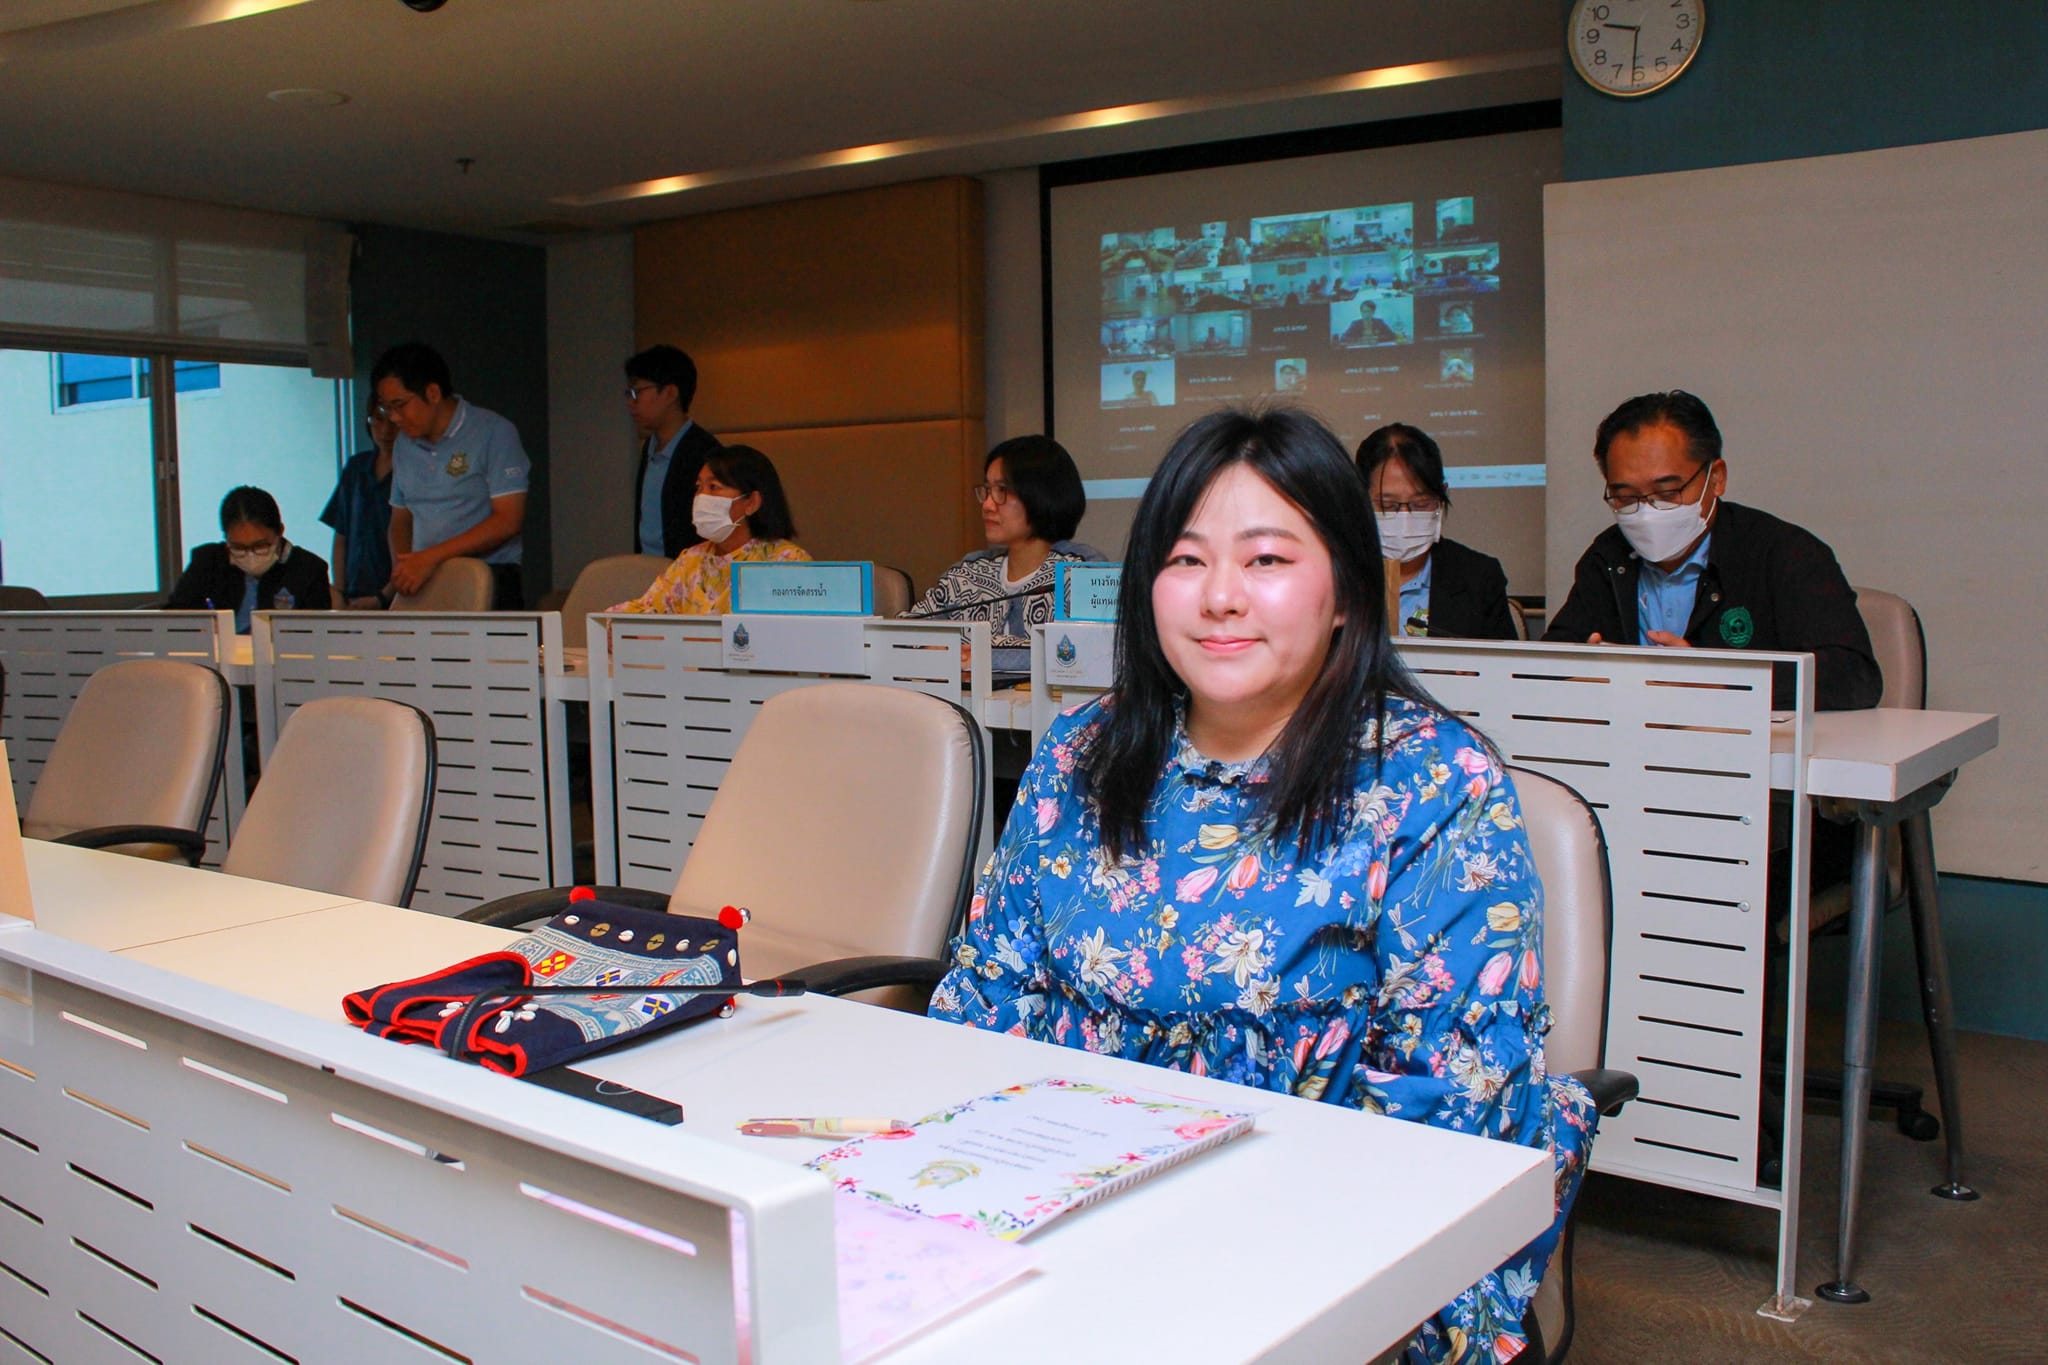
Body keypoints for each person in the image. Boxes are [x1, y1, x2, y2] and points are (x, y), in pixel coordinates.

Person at [929, 407, 1594, 1364]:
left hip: (1319, 1239)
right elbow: (983, 1000)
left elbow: (1448, 1104)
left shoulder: (1433, 781)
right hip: (1063, 1211)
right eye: (1186, 559)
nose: (1219, 597)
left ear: (1347, 593)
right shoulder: (1079, 752)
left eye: (1268, 559)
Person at [1543, 390, 1880, 711]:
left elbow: (1853, 675)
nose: (1646, 512)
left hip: (1749, 744)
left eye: (1668, 493)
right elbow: (1544, 665)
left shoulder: (1783, 553)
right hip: (1634, 742)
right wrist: (1578, 676)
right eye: (1626, 497)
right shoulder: (1608, 557)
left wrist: (1717, 681)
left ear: (1716, 478)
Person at [902, 436, 1098, 675]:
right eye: (987, 490)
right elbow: (905, 630)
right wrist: (931, 649)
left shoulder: (1082, 571)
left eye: (1002, 490)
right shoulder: (970, 571)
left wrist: (981, 655)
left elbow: (1088, 651)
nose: (987, 505)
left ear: (1041, 494)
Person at [372, 342, 530, 609]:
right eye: (387, 408)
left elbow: (508, 520)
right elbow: (401, 518)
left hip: (488, 575)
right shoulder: (404, 444)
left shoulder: (494, 432)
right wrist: (405, 564)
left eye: (399, 405)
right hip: (425, 579)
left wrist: (431, 557)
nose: (394, 418)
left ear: (433, 393)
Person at [1356, 423, 1516, 640]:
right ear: (1360, 498)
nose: (1405, 518)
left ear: (1441, 497)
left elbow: (1504, 660)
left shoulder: (1479, 578)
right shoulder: (1335, 574)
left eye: (1421, 504)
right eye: (1388, 505)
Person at [610, 445, 808, 615]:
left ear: (751, 502)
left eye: (714, 487)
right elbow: (647, 610)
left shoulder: (787, 563)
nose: (701, 496)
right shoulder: (691, 560)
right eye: (699, 487)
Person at [167, 486, 331, 632]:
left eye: (260, 546)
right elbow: (173, 619)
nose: (250, 555)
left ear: (280, 531)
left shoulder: (309, 569)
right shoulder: (207, 561)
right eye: (238, 547)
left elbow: (318, 636)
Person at [627, 344, 723, 558]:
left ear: (670, 393)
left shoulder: (705, 452)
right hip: (650, 572)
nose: (630, 403)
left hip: (690, 571)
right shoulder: (649, 447)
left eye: (637, 392)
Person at [321, 392, 396, 607]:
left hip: (396, 595)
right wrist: (339, 590)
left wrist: (383, 597)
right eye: (378, 420)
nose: (386, 430)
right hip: (353, 591)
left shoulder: (414, 472)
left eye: (392, 422)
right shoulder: (356, 467)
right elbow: (341, 534)